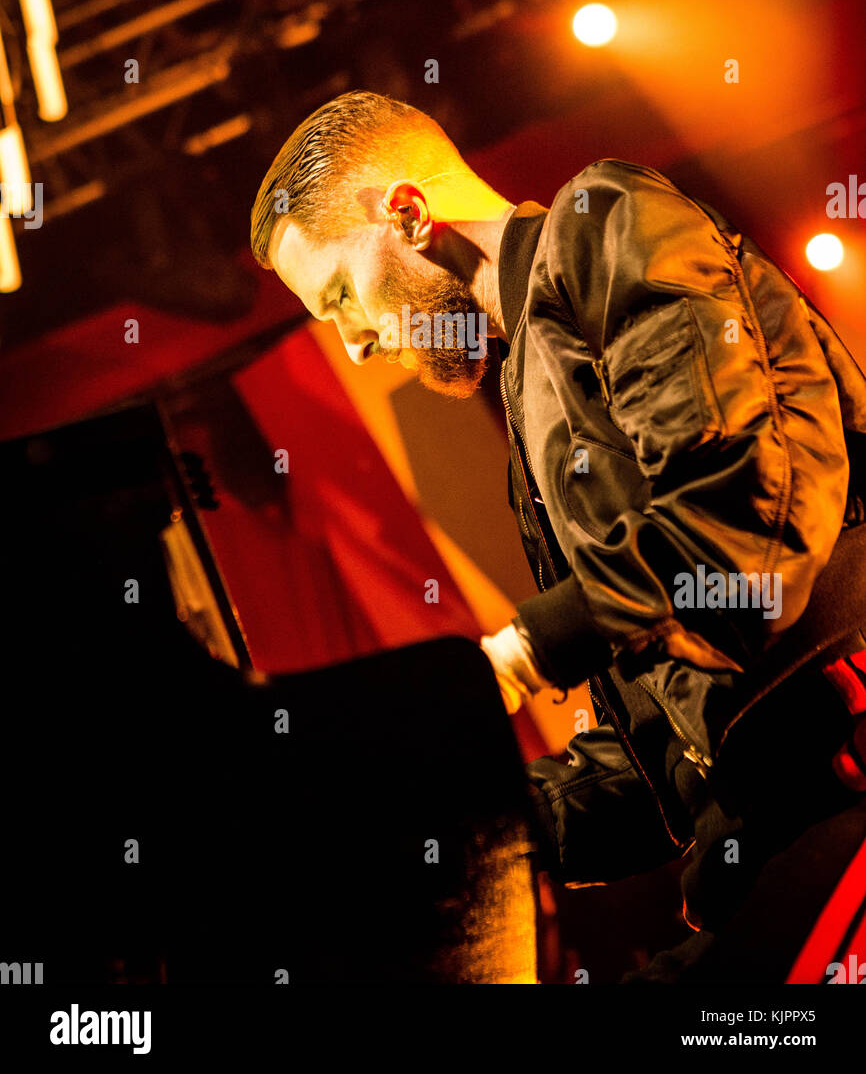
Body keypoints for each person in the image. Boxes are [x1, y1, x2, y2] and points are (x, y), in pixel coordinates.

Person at [250, 89, 866, 981]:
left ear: (409, 214)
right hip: (774, 838)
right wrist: (457, 831)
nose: (354, 342)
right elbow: (662, 745)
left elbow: (744, 529)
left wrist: (514, 657)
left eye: (342, 295)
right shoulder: (527, 399)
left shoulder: (603, 220)